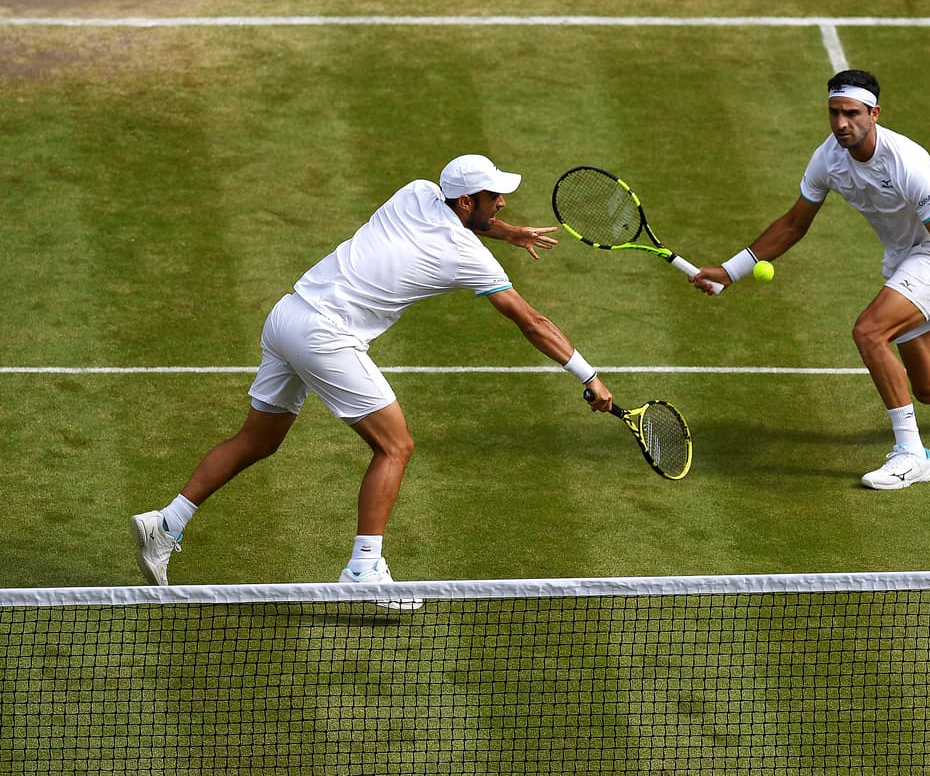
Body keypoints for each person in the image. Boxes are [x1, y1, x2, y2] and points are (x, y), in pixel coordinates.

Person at [130, 155, 614, 594]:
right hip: (328, 337)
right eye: (494, 197)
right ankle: (364, 570)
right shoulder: (467, 257)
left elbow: (465, 222)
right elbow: (532, 322)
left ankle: (166, 524)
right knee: (395, 445)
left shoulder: (416, 190)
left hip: (287, 316)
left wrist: (507, 231)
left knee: (258, 439)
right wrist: (587, 375)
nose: (503, 201)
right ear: (467, 200)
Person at [692, 70, 930, 490]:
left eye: (852, 113)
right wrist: (731, 270)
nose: (841, 123)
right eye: (834, 113)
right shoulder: (827, 160)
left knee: (869, 331)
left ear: (874, 113)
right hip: (903, 260)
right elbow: (793, 224)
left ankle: (913, 455)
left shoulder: (907, 161)